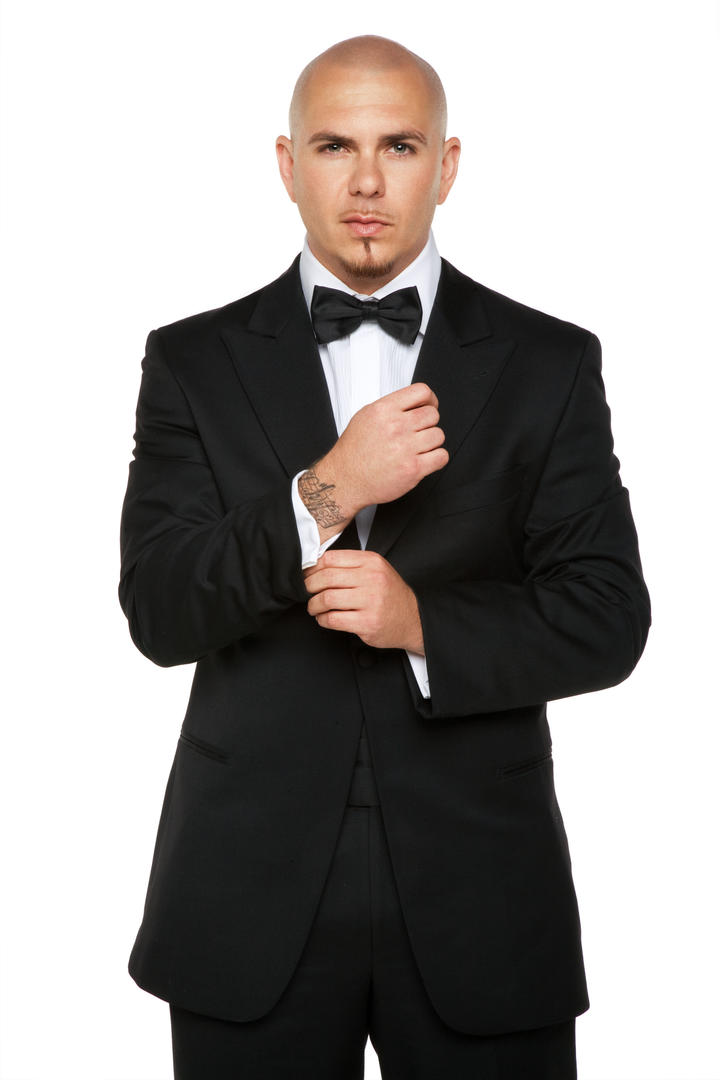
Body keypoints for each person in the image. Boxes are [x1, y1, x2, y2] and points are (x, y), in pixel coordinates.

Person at [119, 34, 650, 1080]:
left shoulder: (550, 362)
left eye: (399, 146)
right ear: (288, 165)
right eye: (335, 146)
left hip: (485, 898)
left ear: (446, 165)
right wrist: (328, 490)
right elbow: (160, 611)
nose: (366, 181)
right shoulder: (189, 360)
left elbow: (607, 617)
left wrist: (420, 624)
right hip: (245, 894)